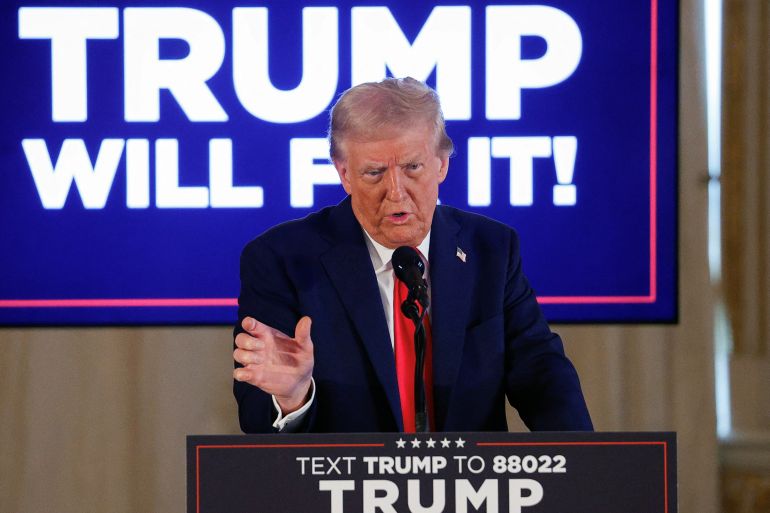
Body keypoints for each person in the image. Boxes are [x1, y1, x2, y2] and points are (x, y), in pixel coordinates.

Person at [233, 77, 592, 433]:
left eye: (412, 168)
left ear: (442, 164)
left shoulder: (492, 250)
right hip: (342, 486)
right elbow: (255, 419)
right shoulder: (282, 261)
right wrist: (293, 398)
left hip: (471, 486)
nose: (396, 192)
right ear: (344, 173)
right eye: (374, 172)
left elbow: (542, 375)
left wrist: (587, 463)